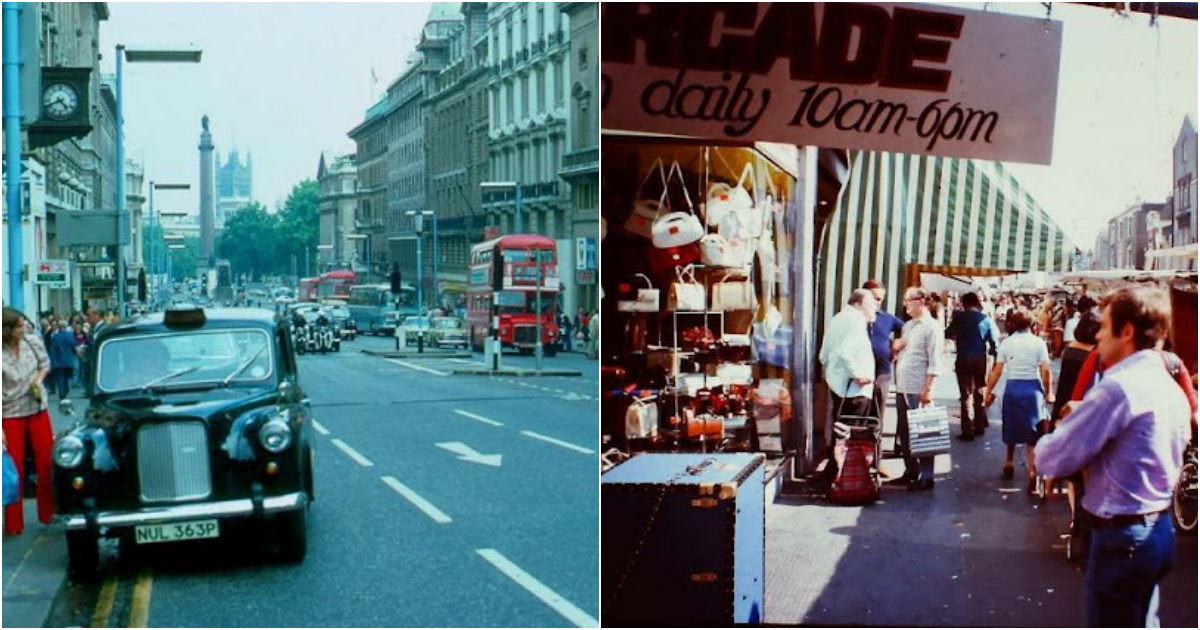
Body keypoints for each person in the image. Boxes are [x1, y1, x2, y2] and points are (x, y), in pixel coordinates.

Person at [1035, 286, 1189, 627]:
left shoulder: (1117, 389)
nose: (1099, 336)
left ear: (1128, 331)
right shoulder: (1169, 385)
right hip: (1157, 528)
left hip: (1122, 538)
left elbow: (1051, 457)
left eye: (1104, 327)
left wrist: (1070, 422)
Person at [983, 309, 1053, 491]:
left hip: (1013, 388)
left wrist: (988, 390)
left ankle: (1008, 462)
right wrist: (1049, 391)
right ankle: (1032, 471)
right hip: (1032, 389)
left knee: (1011, 426)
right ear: (1031, 324)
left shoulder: (1007, 343)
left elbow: (997, 371)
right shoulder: (1039, 343)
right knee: (1033, 432)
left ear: (1013, 324)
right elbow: (1045, 370)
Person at [2, 307, 55, 535]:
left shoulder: (33, 343)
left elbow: (45, 365)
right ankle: (13, 524)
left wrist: (38, 379)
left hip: (37, 408)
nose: (25, 328)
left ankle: (49, 515)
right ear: (8, 330)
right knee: (14, 469)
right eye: (20, 326)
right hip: (10, 413)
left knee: (46, 462)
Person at [893, 287, 943, 492]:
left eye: (908, 301)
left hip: (919, 388)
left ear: (920, 301)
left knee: (924, 433)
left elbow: (935, 361)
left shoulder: (931, 327)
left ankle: (927, 475)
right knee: (904, 432)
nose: (905, 305)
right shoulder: (908, 326)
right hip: (903, 386)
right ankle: (910, 470)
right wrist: (895, 348)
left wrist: (928, 388)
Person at [945, 292, 998, 440]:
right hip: (980, 358)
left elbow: (948, 333)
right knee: (980, 390)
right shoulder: (985, 319)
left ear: (964, 303)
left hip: (963, 357)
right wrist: (994, 359)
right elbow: (994, 341)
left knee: (966, 394)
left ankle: (967, 429)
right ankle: (979, 425)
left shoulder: (959, 318)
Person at [819, 289, 878, 419]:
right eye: (872, 304)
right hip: (855, 391)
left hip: (838, 388)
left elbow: (823, 356)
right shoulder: (857, 320)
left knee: (840, 432)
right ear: (860, 303)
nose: (875, 308)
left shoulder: (837, 318)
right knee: (853, 434)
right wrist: (857, 374)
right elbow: (844, 351)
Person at [862, 280, 905, 425]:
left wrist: (896, 346)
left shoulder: (887, 318)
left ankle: (875, 446)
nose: (877, 302)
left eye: (880, 299)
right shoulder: (855, 317)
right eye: (874, 298)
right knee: (859, 413)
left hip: (881, 372)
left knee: (877, 413)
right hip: (859, 372)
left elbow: (908, 330)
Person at [48, 320, 78, 400]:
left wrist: (52, 360)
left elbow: (53, 349)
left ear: (59, 327)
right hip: (69, 359)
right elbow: (73, 345)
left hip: (59, 360)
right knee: (67, 376)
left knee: (60, 377)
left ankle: (62, 392)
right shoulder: (70, 335)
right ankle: (66, 389)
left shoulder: (55, 336)